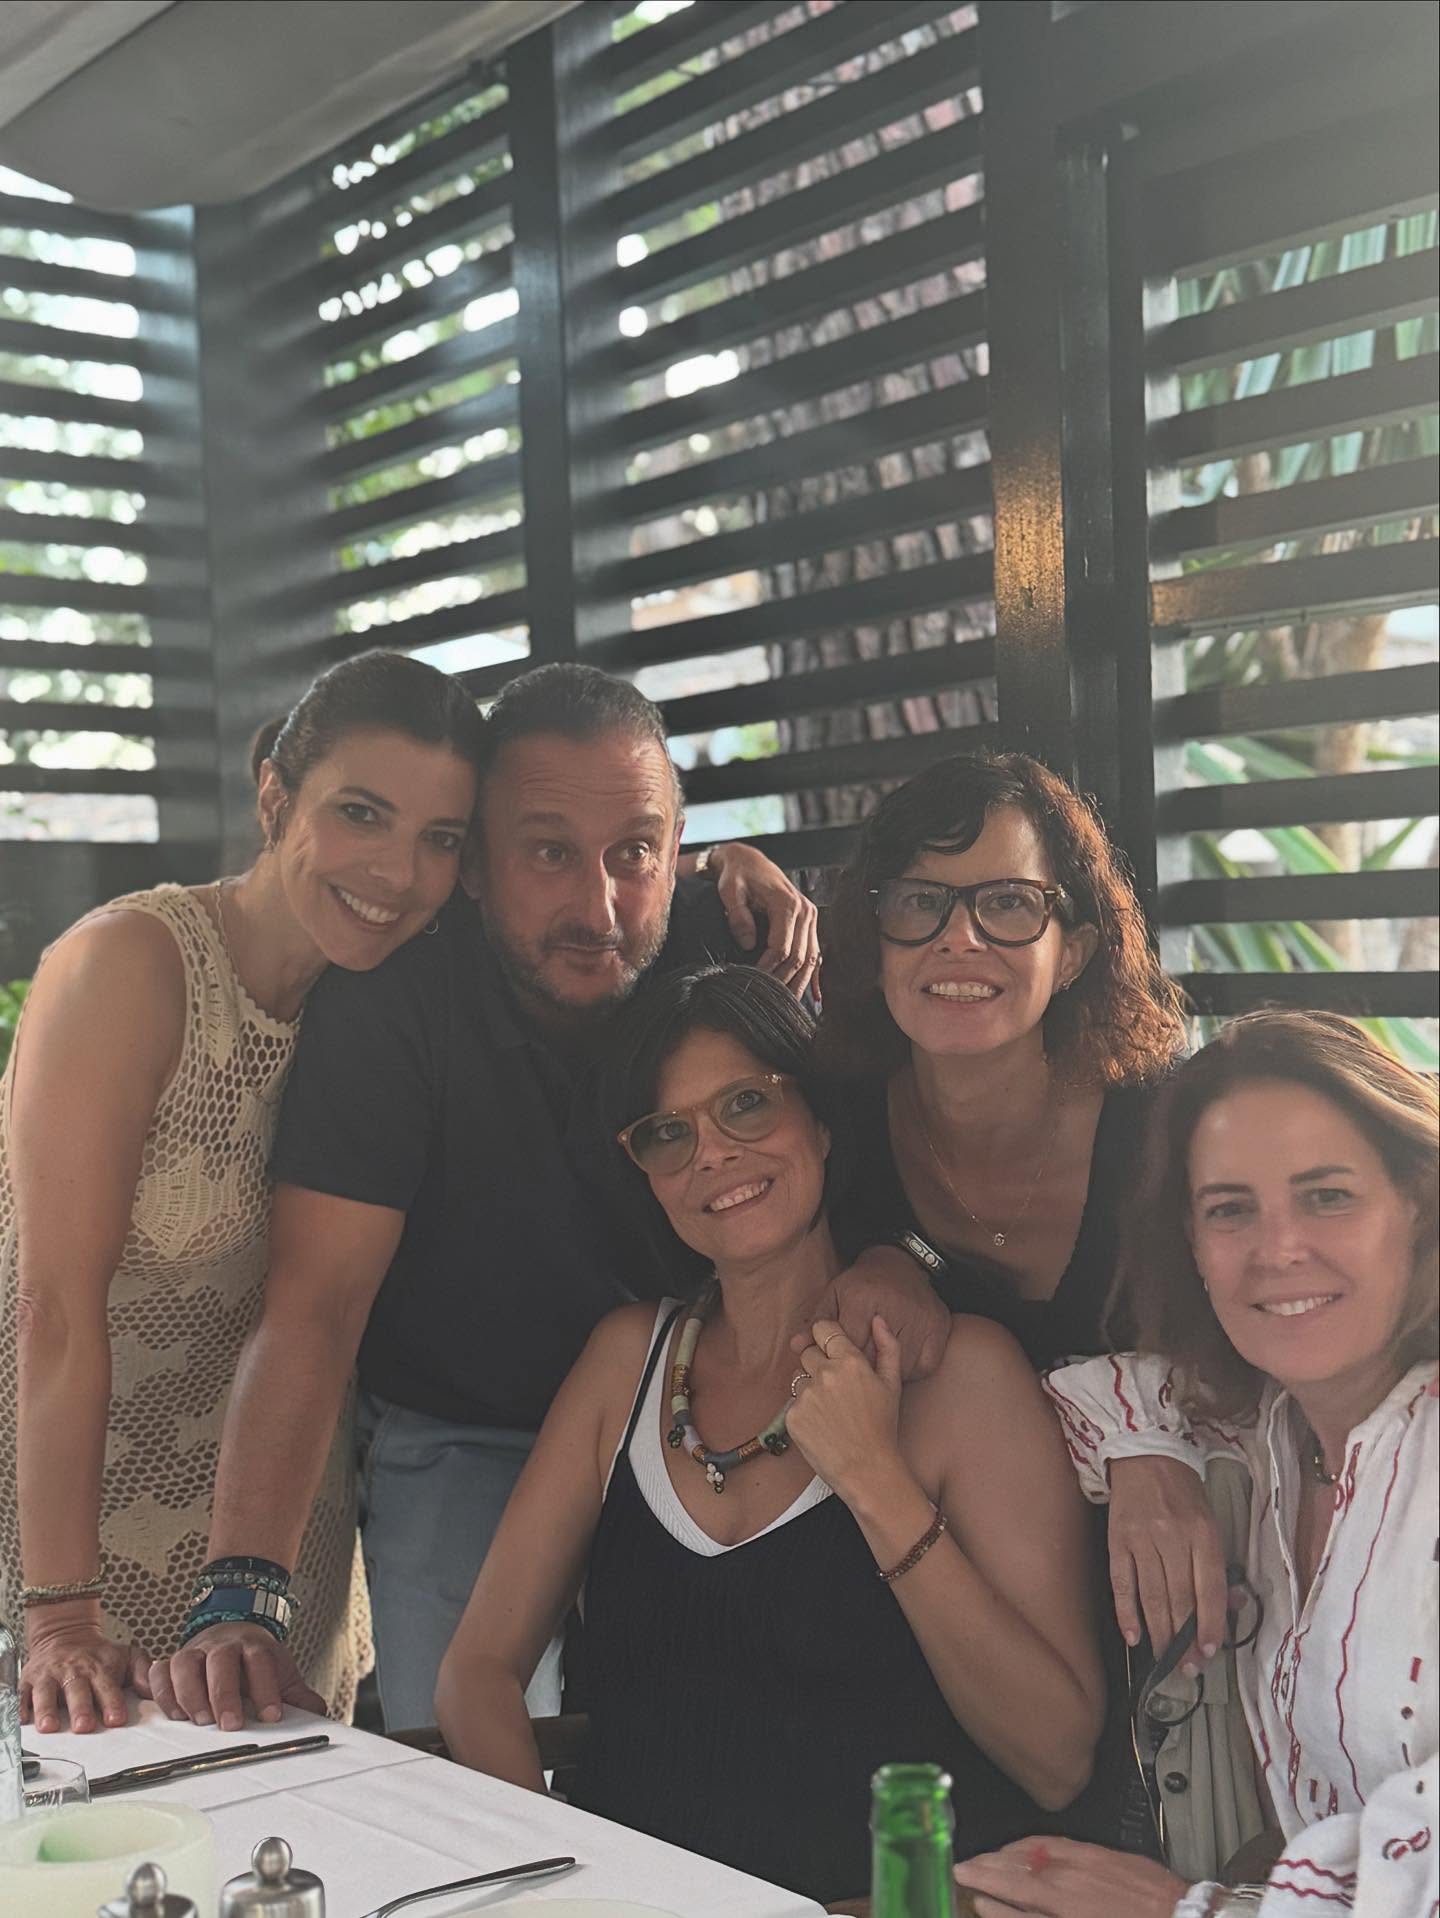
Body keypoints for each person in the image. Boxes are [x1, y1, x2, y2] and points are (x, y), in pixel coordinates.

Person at [153, 664, 949, 1735]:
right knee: (456, 1752)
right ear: (476, 867)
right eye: (547, 853)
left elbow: (874, 1150)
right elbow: (316, 1308)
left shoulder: (739, 945)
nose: (597, 906)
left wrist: (902, 1254)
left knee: (746, 1742)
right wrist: (243, 1592)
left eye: (635, 853)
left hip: (707, 1410)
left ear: (678, 847)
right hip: (467, 1428)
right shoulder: (393, 1002)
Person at [434, 964, 1105, 1905]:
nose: (712, 1153)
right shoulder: (626, 1362)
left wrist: (873, 1479)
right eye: (667, 1133)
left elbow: (1058, 1758)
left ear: (823, 1122)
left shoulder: (961, 1375)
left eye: (747, 1103)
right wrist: (562, 1887)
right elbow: (476, 1673)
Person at [1, 649, 487, 1734]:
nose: (398, 872)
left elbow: (587, 895)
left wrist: (729, 868)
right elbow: (54, 1310)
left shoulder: (396, 994)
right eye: (361, 813)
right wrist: (60, 1616)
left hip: (269, 1568)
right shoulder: (129, 967)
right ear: (274, 796)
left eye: (441, 838)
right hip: (57, 1552)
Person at [955, 1010, 1439, 1918]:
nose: (1278, 1249)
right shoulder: (1277, 1433)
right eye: (1231, 1209)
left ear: (1416, 1203)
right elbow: (1086, 1396)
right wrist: (1148, 1458)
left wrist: (1190, 1910)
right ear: (1191, 1243)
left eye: (1328, 1196)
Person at [820, 750, 1187, 1366]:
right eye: (920, 900)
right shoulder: (830, 1129)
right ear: (872, 945)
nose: (959, 938)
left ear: (1071, 955)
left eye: (1009, 902)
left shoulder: (1169, 1128)